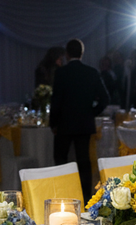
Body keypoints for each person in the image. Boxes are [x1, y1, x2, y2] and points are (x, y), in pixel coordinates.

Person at [51, 39, 110, 202]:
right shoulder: (91, 72)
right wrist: (91, 113)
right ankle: (85, 197)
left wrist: (53, 123)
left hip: (64, 123)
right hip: (84, 123)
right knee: (84, 161)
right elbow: (105, 98)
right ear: (82, 53)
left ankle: (62, 194)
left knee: (61, 159)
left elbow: (56, 100)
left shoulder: (61, 72)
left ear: (67, 54)